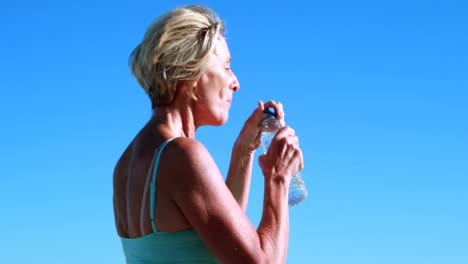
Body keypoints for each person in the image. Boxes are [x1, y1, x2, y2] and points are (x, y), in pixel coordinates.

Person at [113, 5, 304, 264]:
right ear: (192, 71)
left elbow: (220, 236)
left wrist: (244, 151)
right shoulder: (183, 155)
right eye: (226, 66)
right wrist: (279, 177)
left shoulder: (128, 163)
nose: (235, 82)